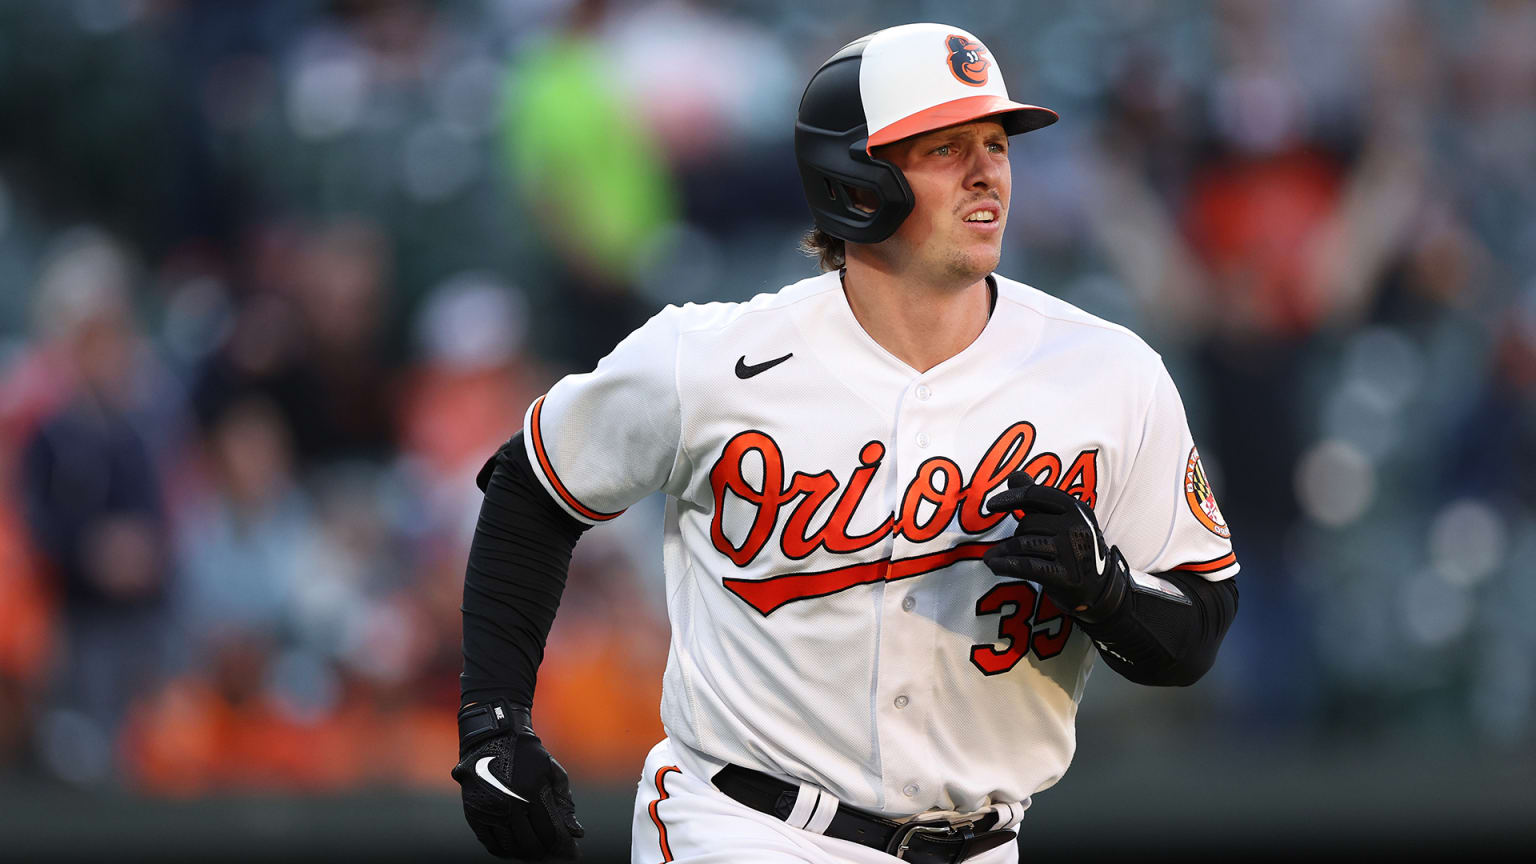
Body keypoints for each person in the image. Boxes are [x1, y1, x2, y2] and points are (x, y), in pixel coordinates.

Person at [451, 23, 1239, 864]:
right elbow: (533, 486)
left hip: (982, 843)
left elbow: (1198, 627)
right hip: (746, 828)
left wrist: (1107, 592)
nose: (987, 173)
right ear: (855, 179)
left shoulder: (1107, 374)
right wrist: (494, 719)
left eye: (995, 144)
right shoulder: (712, 359)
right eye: (944, 148)